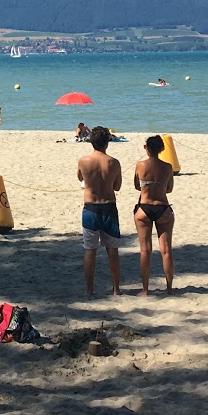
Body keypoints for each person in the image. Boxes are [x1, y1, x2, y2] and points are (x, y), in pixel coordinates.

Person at [77, 126, 123, 297]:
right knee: (112, 250)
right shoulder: (114, 162)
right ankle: (116, 289)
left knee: (90, 250)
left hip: (90, 207)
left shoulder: (83, 161)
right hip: (109, 207)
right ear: (107, 142)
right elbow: (117, 186)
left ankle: (89, 289)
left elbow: (80, 177)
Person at [132, 134, 175, 295]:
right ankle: (169, 287)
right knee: (166, 250)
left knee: (145, 251)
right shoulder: (167, 166)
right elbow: (169, 189)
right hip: (163, 207)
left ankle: (145, 289)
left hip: (144, 207)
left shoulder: (140, 165)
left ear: (147, 148)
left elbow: (137, 185)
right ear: (162, 149)